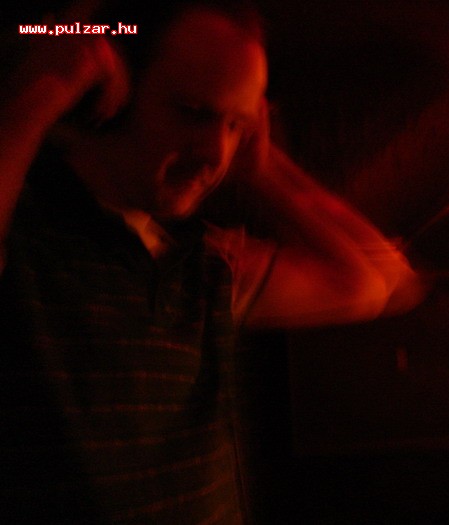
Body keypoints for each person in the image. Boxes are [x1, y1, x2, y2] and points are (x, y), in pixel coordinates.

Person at [0, 1, 423, 522]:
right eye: (193, 112)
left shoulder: (200, 263)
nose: (217, 156)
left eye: (235, 126)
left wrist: (265, 169)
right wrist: (46, 90)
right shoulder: (24, 225)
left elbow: (378, 282)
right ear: (117, 93)